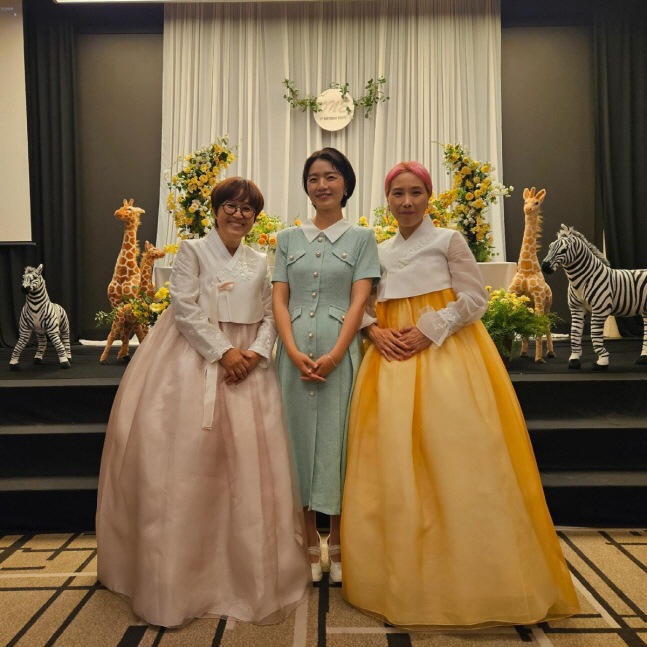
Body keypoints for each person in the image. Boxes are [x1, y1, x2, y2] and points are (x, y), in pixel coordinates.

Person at [341, 162, 579, 628]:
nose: (406, 202)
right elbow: (361, 301)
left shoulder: (448, 239)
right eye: (397, 194)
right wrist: (373, 331)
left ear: (429, 197)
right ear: (386, 200)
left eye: (415, 193)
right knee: (392, 465)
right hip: (390, 363)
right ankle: (400, 579)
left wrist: (430, 329)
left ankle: (475, 579)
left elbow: (474, 298)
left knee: (456, 461)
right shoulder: (378, 248)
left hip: (446, 358)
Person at [96, 177, 310, 627]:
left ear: (255, 217)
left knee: (249, 468)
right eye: (230, 206)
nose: (238, 214)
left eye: (247, 209)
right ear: (216, 209)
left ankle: (244, 575)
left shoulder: (260, 258)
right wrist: (222, 351)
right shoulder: (192, 250)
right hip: (190, 360)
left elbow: (274, 311)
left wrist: (253, 353)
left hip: (248, 366)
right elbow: (184, 305)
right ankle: (179, 580)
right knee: (185, 467)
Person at [272, 148, 381, 583]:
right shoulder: (285, 240)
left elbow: (360, 299)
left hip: (342, 353)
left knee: (339, 444)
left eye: (331, 177)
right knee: (294, 443)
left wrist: (337, 353)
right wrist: (291, 348)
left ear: (346, 184)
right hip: (293, 352)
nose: (322, 185)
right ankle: (303, 543)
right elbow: (280, 298)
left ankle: (335, 545)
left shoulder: (362, 238)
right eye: (314, 178)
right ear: (306, 186)